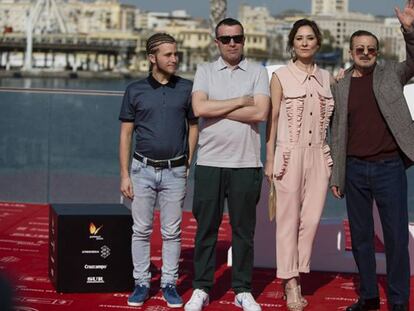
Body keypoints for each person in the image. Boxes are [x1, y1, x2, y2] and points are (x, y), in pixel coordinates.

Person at [330, 1, 414, 310]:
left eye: (371, 49)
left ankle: (398, 302)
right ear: (351, 52)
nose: (365, 53)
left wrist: (409, 29)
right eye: (360, 49)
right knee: (362, 240)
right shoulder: (339, 86)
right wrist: (337, 176)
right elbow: (336, 132)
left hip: (389, 168)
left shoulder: (392, 73)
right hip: (353, 171)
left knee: (395, 241)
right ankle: (368, 297)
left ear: (377, 53)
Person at [184, 18, 270, 311]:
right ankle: (201, 288)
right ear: (216, 42)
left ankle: (243, 289)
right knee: (205, 228)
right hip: (209, 162)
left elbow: (259, 113)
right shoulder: (205, 71)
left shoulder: (258, 72)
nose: (232, 43)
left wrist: (219, 107)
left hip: (246, 164)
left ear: (244, 40)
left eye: (237, 37)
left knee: (243, 231)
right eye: (226, 38)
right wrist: (239, 102)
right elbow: (199, 108)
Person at [119, 33, 198, 308]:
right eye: (168, 54)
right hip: (141, 170)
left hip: (175, 171)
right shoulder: (134, 90)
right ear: (152, 58)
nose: (174, 59)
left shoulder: (187, 88)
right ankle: (141, 282)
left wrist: (187, 163)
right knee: (140, 230)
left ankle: (169, 283)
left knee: (172, 232)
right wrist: (125, 174)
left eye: (176, 54)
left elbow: (194, 126)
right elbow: (126, 134)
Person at [264, 19, 334, 311]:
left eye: (310, 38)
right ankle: (291, 282)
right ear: (292, 44)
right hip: (288, 155)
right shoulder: (280, 76)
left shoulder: (329, 78)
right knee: (287, 222)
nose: (304, 43)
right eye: (299, 39)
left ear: (318, 42)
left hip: (320, 154)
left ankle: (297, 268)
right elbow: (273, 119)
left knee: (312, 219)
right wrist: (269, 159)